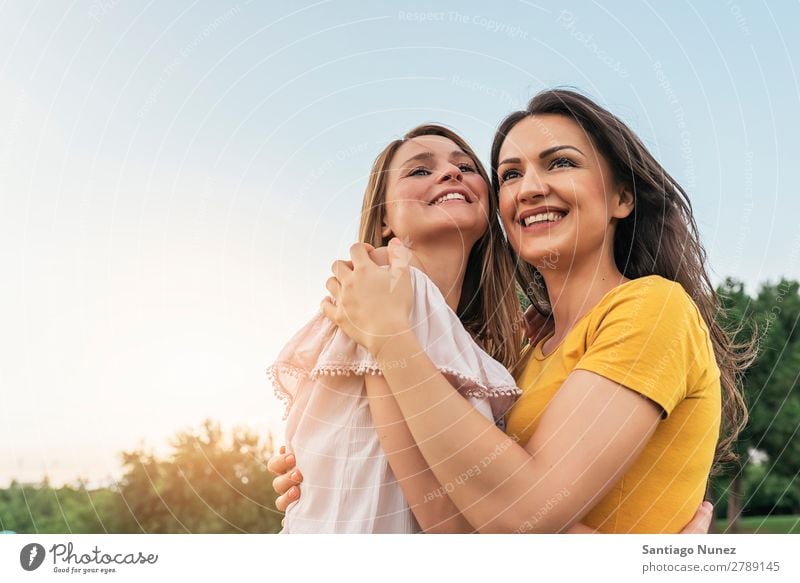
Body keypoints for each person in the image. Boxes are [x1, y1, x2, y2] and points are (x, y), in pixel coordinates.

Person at [277, 89, 749, 533]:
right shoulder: (518, 360)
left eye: (561, 162)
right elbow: (451, 515)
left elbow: (522, 510)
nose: (529, 188)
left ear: (622, 198)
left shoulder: (653, 307)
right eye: (510, 174)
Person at [268, 125, 524, 533]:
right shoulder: (385, 284)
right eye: (420, 171)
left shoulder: (463, 338)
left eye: (466, 166)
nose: (451, 173)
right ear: (385, 218)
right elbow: (445, 518)